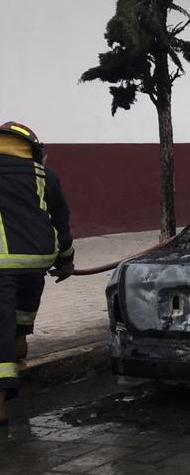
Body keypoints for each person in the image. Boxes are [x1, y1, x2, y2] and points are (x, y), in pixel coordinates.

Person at [0, 122, 74, 427]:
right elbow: (61, 220)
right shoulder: (46, 175)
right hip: (39, 259)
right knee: (20, 317)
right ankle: (19, 347)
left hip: (3, 261)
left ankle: (1, 406)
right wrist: (67, 261)